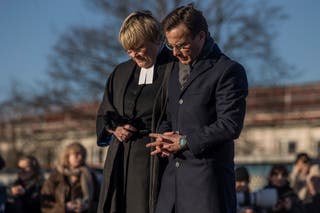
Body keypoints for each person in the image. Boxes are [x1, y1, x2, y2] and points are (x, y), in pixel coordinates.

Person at [147, 4, 248, 213]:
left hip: (207, 189)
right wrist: (164, 138)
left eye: (182, 45)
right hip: (171, 192)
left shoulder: (228, 71)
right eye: (170, 45)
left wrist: (185, 141)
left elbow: (230, 125)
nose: (174, 53)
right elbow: (170, 113)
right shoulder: (174, 71)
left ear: (201, 36)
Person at [95, 11, 173, 213]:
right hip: (120, 161)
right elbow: (105, 113)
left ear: (156, 39)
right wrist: (114, 129)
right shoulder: (120, 73)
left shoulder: (175, 69)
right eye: (128, 50)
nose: (134, 55)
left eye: (138, 48)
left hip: (156, 161)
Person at [41, 142, 100, 213]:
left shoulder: (89, 176)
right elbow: (45, 204)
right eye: (76, 154)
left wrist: (87, 206)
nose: (80, 157)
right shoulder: (55, 177)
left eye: (82, 155)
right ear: (67, 156)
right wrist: (64, 207)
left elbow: (99, 200)